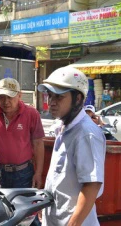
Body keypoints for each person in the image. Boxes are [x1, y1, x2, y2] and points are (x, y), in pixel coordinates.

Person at [38, 66, 105, 226]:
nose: (51, 103)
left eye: (59, 97)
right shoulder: (65, 127)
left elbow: (92, 185)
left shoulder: (86, 133)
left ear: (78, 99)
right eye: (50, 96)